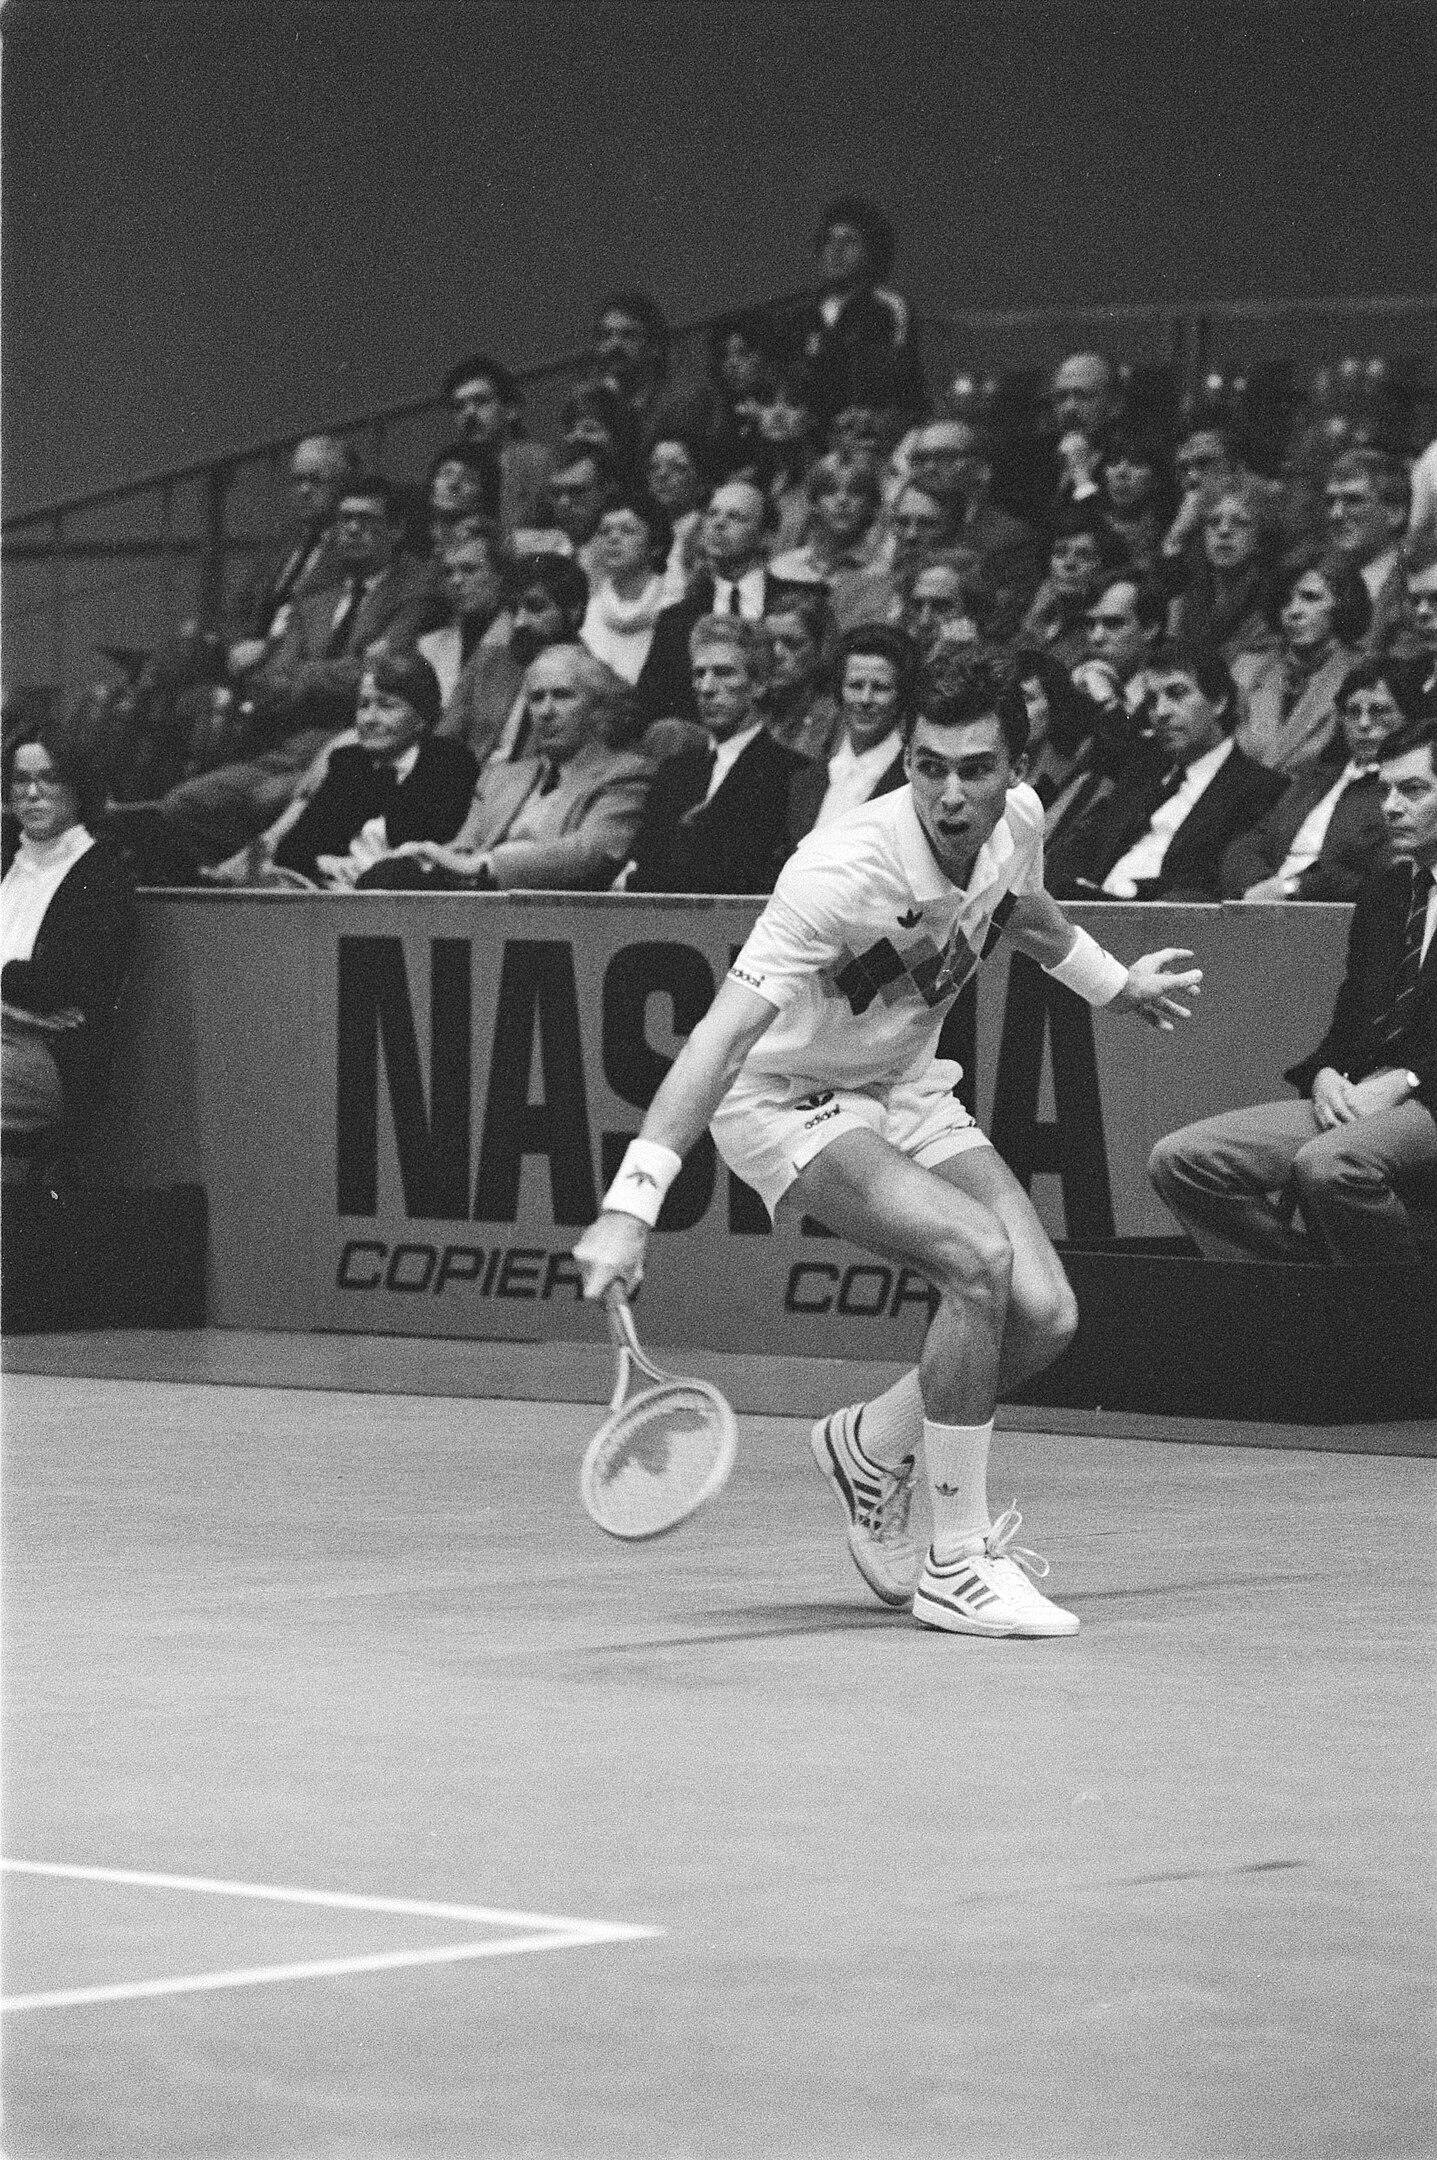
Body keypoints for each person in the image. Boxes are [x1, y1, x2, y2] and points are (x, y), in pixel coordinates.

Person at [574, 658, 1202, 1637]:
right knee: (977, 1258)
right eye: (928, 766)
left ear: (1016, 769)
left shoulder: (1018, 822)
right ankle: (956, 1559)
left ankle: (871, 1446)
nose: (951, 795)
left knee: (1044, 1315)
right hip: (786, 1099)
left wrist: (1115, 986)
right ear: (904, 760)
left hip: (903, 1083)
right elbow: (720, 1041)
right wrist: (630, 1205)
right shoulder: (837, 871)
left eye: (976, 769)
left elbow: (1023, 911)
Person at [1151, 718, 1437, 1266]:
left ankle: (1397, 1305)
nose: (1391, 807)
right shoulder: (1387, 892)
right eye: (1386, 790)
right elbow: (1351, 1023)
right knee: (1182, 1159)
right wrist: (1326, 1072)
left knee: (1328, 1166)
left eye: (1413, 790)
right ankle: (1300, 1291)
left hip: (1427, 1096)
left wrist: (1409, 1080)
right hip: (1366, 1095)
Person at [155, 475, 444, 867]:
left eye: (366, 520)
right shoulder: (312, 602)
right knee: (182, 804)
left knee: (267, 801)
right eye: (344, 519)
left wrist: (304, 675)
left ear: (395, 530)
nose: (352, 529)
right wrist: (341, 672)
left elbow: (384, 674)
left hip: (356, 747)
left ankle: (254, 872)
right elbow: (268, 683)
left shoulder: (417, 592)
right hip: (285, 748)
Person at [363, 645, 651, 893]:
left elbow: (589, 854)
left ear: (598, 708)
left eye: (562, 696)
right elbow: (464, 848)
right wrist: (424, 855)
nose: (546, 711)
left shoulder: (626, 775)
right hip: (476, 905)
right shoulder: (501, 777)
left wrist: (483, 866)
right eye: (536, 698)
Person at [1048, 641, 1285, 902]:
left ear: (1219, 702)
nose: (1160, 712)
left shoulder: (1262, 789)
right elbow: (1082, 848)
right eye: (1152, 700)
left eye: (1177, 694)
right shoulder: (1143, 774)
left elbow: (1218, 883)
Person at [216, 653, 476, 888]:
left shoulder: (448, 763)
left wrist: (358, 867)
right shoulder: (349, 763)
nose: (369, 719)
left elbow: (424, 846)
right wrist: (327, 865)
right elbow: (294, 849)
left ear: (421, 717)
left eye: (387, 706)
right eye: (363, 705)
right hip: (331, 893)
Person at [1, 723, 135, 1168]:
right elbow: (25, 986)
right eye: (20, 780)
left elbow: (62, 984)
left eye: (49, 778)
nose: (32, 793)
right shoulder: (6, 861)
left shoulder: (102, 874)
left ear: (77, 787)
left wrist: (17, 989)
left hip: (47, 1060)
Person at [625, 616, 814, 893]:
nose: (706, 688)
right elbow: (642, 868)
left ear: (759, 684)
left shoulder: (792, 773)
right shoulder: (674, 772)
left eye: (724, 673)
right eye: (699, 674)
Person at [1221, 659, 1415, 901]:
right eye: (1353, 712)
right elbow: (1247, 846)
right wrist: (1260, 885)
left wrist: (1291, 888)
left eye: (1379, 711)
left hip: (1334, 910)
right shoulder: (1314, 779)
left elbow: (1382, 872)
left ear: (1407, 716)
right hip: (1266, 900)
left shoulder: (1403, 790)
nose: (1363, 724)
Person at [636, 478, 778, 726]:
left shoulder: (797, 600)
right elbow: (651, 708)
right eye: (712, 514)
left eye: (736, 517)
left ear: (765, 535)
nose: (718, 523)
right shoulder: (675, 619)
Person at [225, 434, 359, 674]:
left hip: (298, 665)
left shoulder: (353, 546)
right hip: (248, 659)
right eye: (298, 480)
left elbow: (332, 626)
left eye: (316, 480)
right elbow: (240, 605)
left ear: (344, 484)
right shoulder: (284, 541)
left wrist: (268, 650)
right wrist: (236, 645)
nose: (304, 490)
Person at [1231, 548, 1372, 773]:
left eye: (1310, 598)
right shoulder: (1249, 668)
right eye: (1285, 601)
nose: (1293, 611)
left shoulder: (1361, 675)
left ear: (1343, 604)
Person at [797, 624, 916, 832]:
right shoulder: (807, 779)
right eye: (855, 685)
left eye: (880, 688)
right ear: (839, 691)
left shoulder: (910, 782)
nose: (865, 699)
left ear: (901, 696)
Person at [1168, 473, 1282, 668]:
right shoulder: (1193, 592)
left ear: (1260, 537)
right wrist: (1174, 541)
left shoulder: (1271, 599)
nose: (1224, 531)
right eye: (1213, 522)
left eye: (1239, 522)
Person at [770, 451, 890, 627]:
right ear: (814, 503)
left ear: (871, 504)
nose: (842, 500)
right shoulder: (783, 567)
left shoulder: (881, 571)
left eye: (855, 492)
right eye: (830, 491)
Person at [443, 351, 554, 536]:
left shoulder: (535, 461)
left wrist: (497, 536)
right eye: (459, 407)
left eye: (481, 401)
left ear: (511, 410)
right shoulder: (452, 471)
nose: (469, 413)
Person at [580, 487, 673, 683]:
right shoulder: (587, 610)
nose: (613, 538)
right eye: (604, 532)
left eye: (627, 531)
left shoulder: (673, 607)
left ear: (656, 546)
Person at [763, 590, 841, 761]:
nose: (776, 653)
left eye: (793, 643)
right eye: (768, 643)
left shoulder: (839, 718)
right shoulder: (755, 711)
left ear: (822, 648)